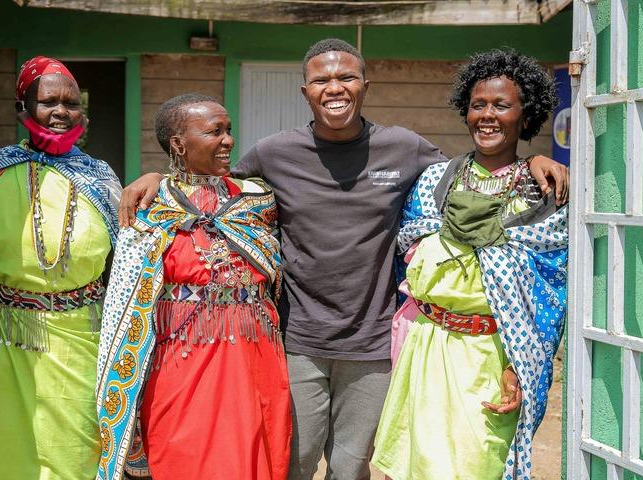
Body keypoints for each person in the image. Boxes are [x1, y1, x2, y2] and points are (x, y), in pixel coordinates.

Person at [120, 39, 568, 480]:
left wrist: (531, 160)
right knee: (291, 464)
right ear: (306, 92)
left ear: (365, 85)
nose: (335, 87)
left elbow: (475, 168)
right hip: (297, 342)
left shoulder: (405, 148)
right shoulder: (273, 153)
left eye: (346, 76)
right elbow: (210, 185)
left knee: (351, 469)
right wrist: (159, 176)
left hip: (372, 347)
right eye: (322, 79)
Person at [371, 49, 567, 480]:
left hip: (492, 353)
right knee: (413, 464)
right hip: (424, 346)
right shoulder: (435, 180)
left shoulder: (541, 194)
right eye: (478, 104)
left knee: (479, 463)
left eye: (502, 105)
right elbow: (407, 253)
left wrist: (520, 365)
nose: (488, 116)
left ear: (526, 114)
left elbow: (551, 291)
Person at [95, 94, 291, 480]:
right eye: (214, 131)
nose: (229, 140)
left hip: (255, 350)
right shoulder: (149, 204)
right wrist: (159, 178)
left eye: (229, 130)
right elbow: (127, 296)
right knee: (185, 452)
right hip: (181, 353)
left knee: (255, 453)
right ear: (178, 144)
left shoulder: (258, 199)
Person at [0, 56, 121, 480]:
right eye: (48, 101)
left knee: (74, 451)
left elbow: (123, 260)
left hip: (80, 337)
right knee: (0, 447)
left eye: (71, 103)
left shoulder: (100, 177)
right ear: (23, 108)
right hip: (3, 336)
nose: (60, 112)